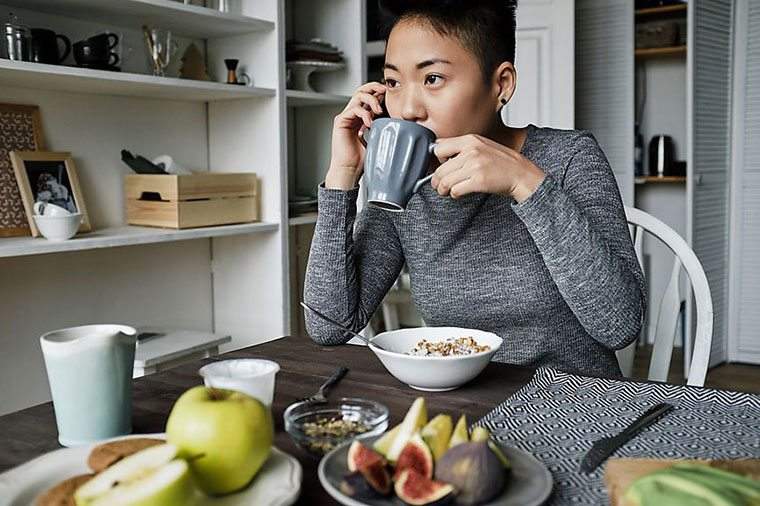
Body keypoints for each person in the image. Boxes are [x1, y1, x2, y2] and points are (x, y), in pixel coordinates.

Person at [304, 0, 646, 378]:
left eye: (432, 79)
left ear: (501, 84)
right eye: (393, 82)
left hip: (575, 403)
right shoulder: (405, 183)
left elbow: (620, 325)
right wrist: (343, 175)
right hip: (460, 403)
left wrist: (526, 184)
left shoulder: (569, 157)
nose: (407, 109)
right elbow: (329, 325)